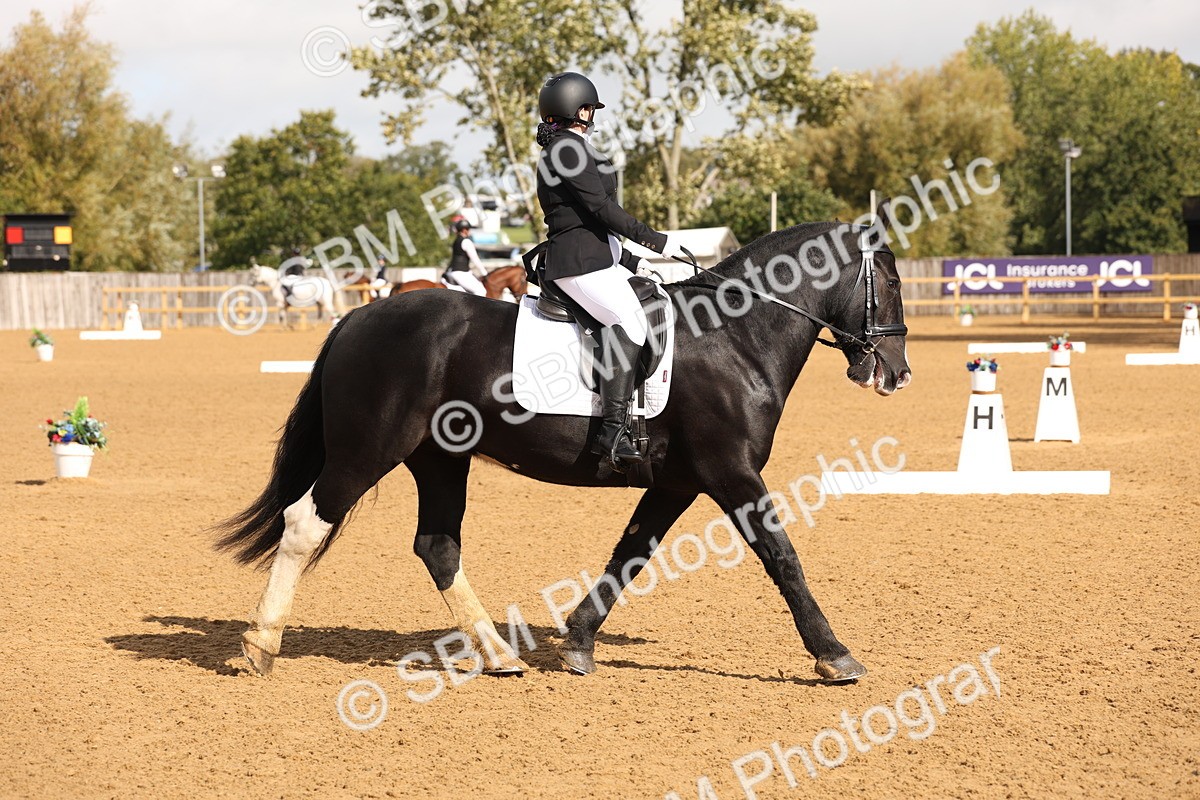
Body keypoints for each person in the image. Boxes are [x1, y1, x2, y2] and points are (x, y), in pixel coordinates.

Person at [535, 71, 686, 468]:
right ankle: (612, 432)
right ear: (575, 108)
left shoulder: (571, 147)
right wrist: (656, 239)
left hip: (598, 258)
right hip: (578, 263)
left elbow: (595, 222)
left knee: (656, 297)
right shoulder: (567, 150)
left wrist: (637, 261)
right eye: (587, 106)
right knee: (629, 321)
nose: (591, 113)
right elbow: (601, 209)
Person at [441, 219, 488, 297]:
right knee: (481, 291)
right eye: (468, 229)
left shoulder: (456, 240)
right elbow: (475, 259)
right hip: (460, 272)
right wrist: (484, 273)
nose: (470, 231)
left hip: (452, 271)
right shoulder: (466, 242)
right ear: (464, 230)